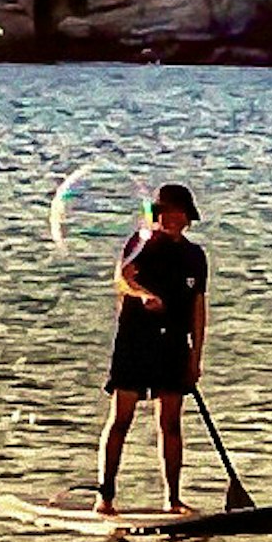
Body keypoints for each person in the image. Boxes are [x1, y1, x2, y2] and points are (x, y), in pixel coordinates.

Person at [95, 185, 210, 514]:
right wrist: (142, 295)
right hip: (135, 340)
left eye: (181, 213)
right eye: (168, 212)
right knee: (122, 418)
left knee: (171, 423)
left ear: (188, 218)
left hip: (174, 344)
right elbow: (122, 279)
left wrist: (196, 355)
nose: (174, 219)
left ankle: (173, 500)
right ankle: (105, 497)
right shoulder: (140, 242)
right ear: (158, 214)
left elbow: (198, 308)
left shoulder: (194, 256)